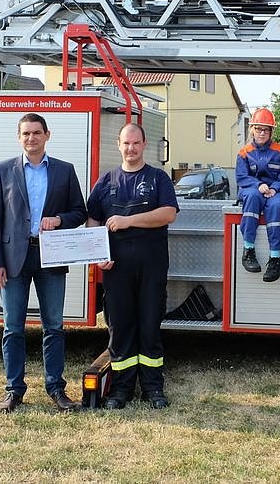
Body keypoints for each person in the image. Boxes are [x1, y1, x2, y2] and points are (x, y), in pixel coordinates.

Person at [0, 113, 89, 413]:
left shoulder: (64, 170)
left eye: (36, 132)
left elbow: (79, 212)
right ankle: (14, 390)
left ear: (47, 135)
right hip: (13, 260)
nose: (31, 138)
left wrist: (58, 219)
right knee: (12, 328)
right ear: (19, 137)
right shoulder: (3, 170)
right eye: (26, 133)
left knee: (54, 326)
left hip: (51, 257)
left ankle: (56, 388)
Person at [86, 123, 180, 409]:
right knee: (121, 328)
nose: (131, 148)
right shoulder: (106, 182)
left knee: (150, 326)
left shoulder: (158, 178)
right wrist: (97, 254)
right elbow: (93, 220)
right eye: (126, 143)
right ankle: (121, 390)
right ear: (118, 144)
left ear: (144, 145)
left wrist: (128, 221)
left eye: (136, 143)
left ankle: (153, 388)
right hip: (116, 270)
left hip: (151, 267)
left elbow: (168, 214)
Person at [237, 108, 280, 282]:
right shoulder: (244, 152)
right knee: (252, 197)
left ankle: (275, 258)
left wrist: (274, 188)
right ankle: (248, 250)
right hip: (252, 189)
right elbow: (241, 177)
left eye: (266, 130)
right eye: (258, 129)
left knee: (276, 206)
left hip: (277, 191)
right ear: (251, 129)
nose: (262, 133)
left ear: (271, 131)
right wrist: (258, 185)